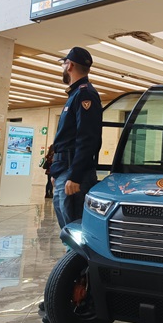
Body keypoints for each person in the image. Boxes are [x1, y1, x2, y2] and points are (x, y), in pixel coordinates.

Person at [49, 47, 103, 229]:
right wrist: (56, 172)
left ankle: (76, 259)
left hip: (73, 172)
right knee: (67, 228)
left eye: (64, 64)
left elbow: (88, 138)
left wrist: (75, 176)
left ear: (69, 65)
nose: (63, 68)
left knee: (75, 229)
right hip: (65, 170)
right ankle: (71, 258)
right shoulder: (76, 95)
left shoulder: (84, 94)